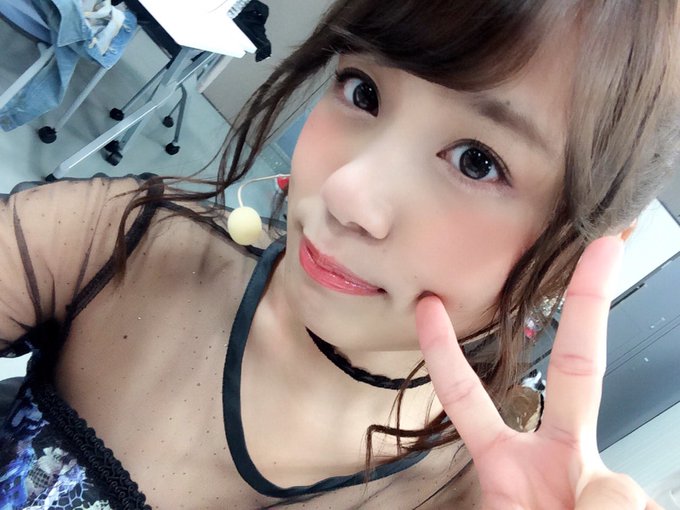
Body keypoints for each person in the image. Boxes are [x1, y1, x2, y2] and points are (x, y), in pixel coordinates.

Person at [0, 0, 678, 508]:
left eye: (477, 161)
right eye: (363, 91)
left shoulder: (475, 499)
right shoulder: (126, 248)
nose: (348, 193)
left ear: (580, 256)